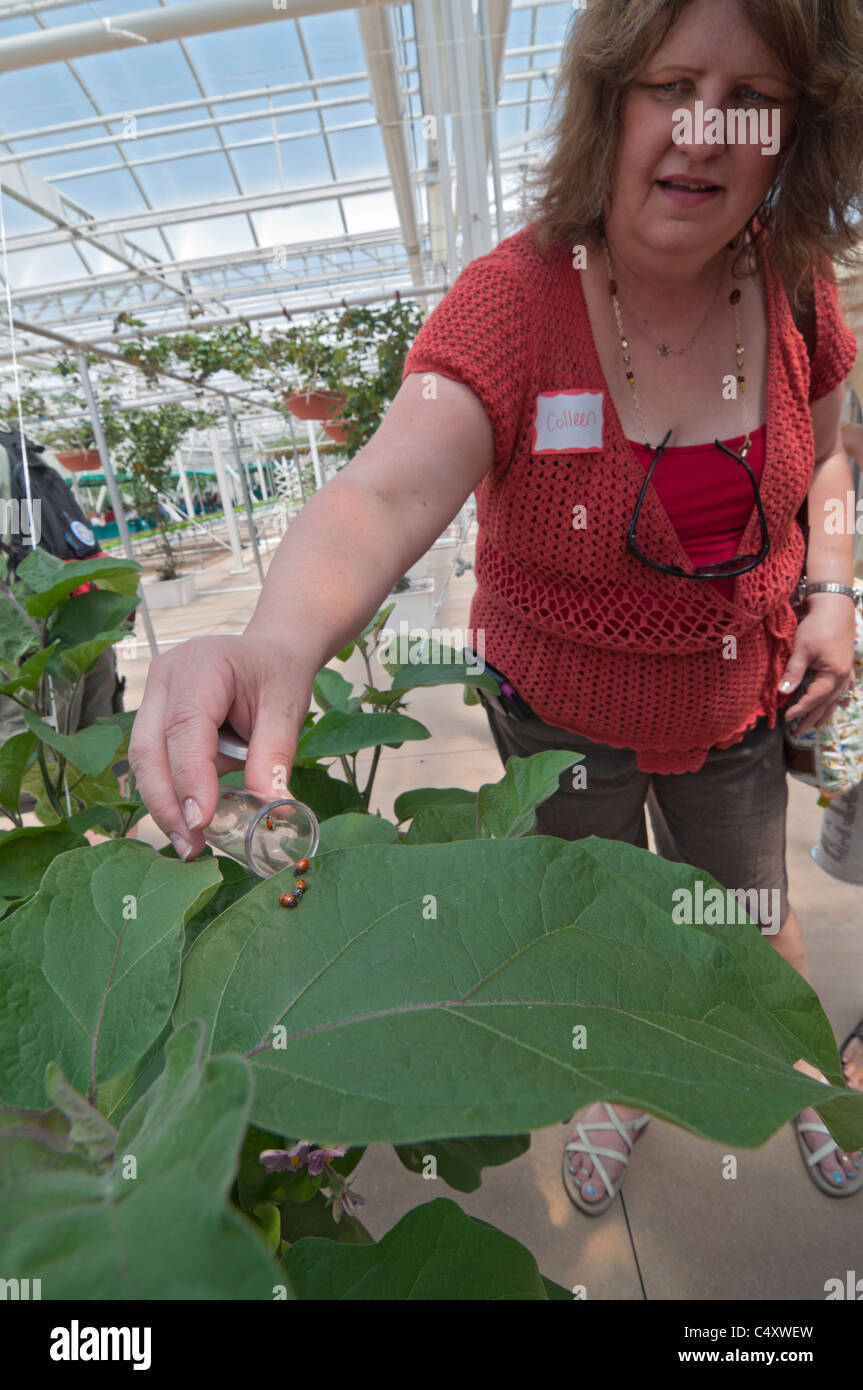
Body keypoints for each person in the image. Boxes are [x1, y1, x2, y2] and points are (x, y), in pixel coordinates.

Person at [129, 0, 863, 1208]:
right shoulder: (514, 302)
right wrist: (274, 639)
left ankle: (782, 1067)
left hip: (737, 699)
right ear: (604, 99)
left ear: (795, 130)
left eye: (751, 99)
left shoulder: (790, 288)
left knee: (749, 910)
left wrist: (831, 590)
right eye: (668, 84)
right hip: (561, 715)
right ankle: (608, 1086)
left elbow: (830, 462)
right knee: (582, 935)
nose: (702, 129)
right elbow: (380, 490)